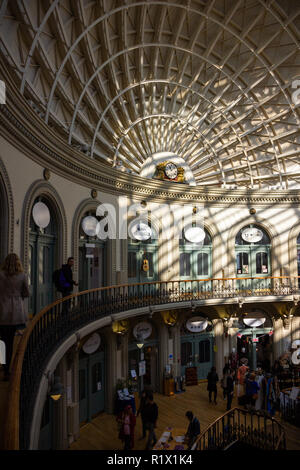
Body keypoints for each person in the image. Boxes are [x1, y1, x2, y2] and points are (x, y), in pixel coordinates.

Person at [0, 253, 29, 380]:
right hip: (15, 311)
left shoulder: (0, 275)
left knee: (1, 340)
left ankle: (2, 363)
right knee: (9, 341)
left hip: (2, 309)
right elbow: (26, 293)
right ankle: (7, 370)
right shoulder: (22, 276)